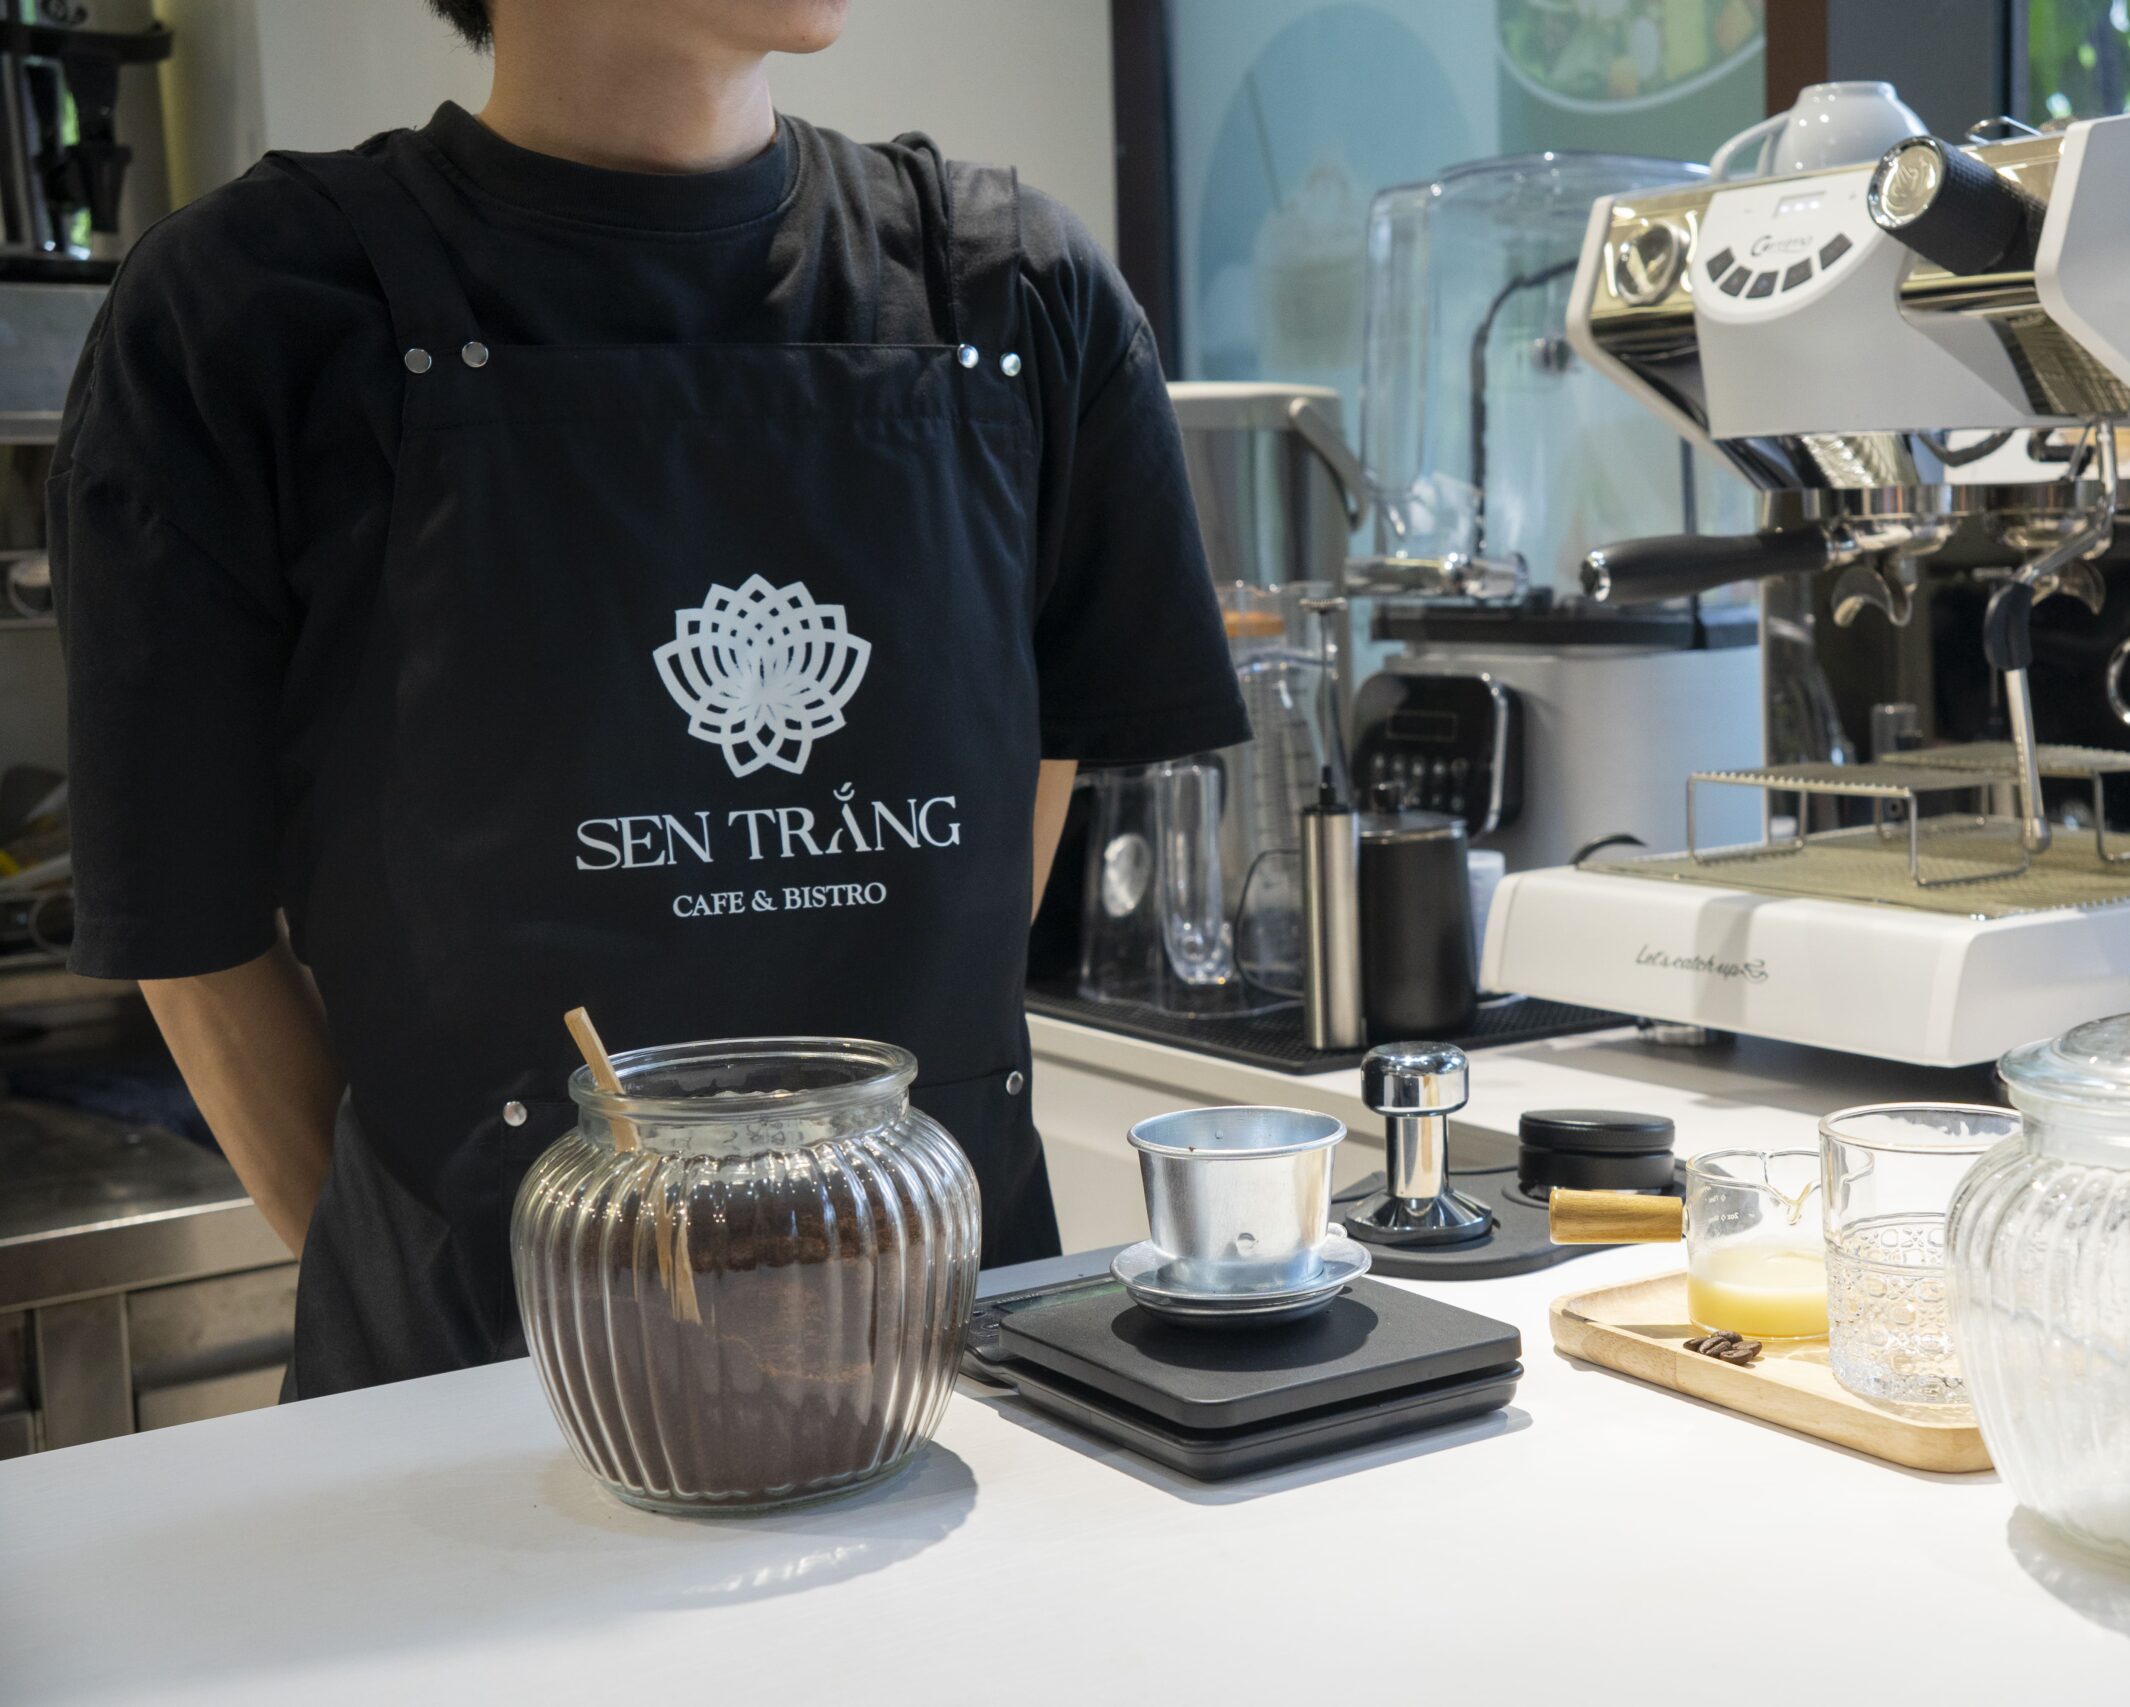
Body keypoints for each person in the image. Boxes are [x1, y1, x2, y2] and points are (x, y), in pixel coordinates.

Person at [51, 0, 1249, 1397]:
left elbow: (1014, 811)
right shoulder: (245, 309)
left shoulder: (1014, 294)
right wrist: (427, 1294)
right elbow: (186, 927)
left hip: (950, 1371)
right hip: (479, 1402)